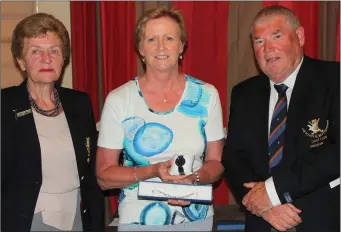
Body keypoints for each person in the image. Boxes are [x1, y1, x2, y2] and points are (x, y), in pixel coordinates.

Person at [96, 6, 225, 231]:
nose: (161, 47)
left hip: (196, 219)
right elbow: (104, 176)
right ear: (140, 49)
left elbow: (216, 165)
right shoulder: (119, 100)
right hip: (138, 220)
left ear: (182, 46)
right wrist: (152, 171)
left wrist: (192, 180)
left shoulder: (206, 95)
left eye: (169, 38)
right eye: (152, 39)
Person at [222, 5, 340, 232]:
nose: (268, 48)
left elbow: (337, 152)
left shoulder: (335, 80)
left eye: (276, 36)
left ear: (300, 36)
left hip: (322, 220)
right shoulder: (244, 93)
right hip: (262, 221)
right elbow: (234, 158)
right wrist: (264, 206)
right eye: (259, 41)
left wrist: (273, 192)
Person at [1, 13, 104, 231]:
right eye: (36, 51)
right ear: (20, 61)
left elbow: (91, 170)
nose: (47, 59)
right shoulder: (4, 104)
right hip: (27, 220)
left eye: (54, 51)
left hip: (78, 216)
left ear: (64, 59)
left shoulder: (79, 103)